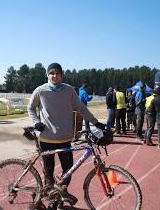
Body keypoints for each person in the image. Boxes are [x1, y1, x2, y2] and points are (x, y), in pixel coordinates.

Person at [27, 62, 106, 210]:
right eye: (52, 73)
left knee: (68, 171)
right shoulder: (40, 91)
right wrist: (36, 122)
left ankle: (59, 197)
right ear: (47, 75)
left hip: (64, 139)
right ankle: (52, 199)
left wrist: (96, 123)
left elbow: (81, 108)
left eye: (57, 73)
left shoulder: (69, 91)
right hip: (46, 138)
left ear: (61, 75)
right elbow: (30, 108)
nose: (54, 76)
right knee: (48, 173)